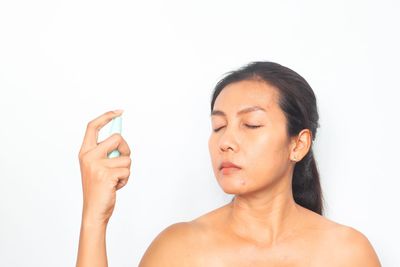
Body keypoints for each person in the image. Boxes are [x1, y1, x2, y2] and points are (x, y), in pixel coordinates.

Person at [76, 61, 381, 266]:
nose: (226, 141)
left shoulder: (348, 253)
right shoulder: (179, 249)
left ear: (298, 144)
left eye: (250, 124)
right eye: (218, 127)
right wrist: (94, 218)